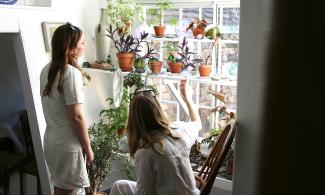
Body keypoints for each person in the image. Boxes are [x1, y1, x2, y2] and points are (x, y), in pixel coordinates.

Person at [110, 79, 202, 195]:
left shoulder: (145, 153)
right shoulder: (179, 130)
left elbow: (145, 192)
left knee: (119, 187)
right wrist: (187, 98)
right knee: (120, 186)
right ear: (158, 110)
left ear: (133, 120)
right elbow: (198, 123)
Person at [40, 22, 94, 195]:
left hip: (51, 141)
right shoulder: (70, 73)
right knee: (69, 191)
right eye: (82, 42)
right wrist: (88, 146)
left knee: (60, 189)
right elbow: (76, 116)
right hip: (67, 144)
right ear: (71, 49)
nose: (85, 46)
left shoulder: (45, 70)